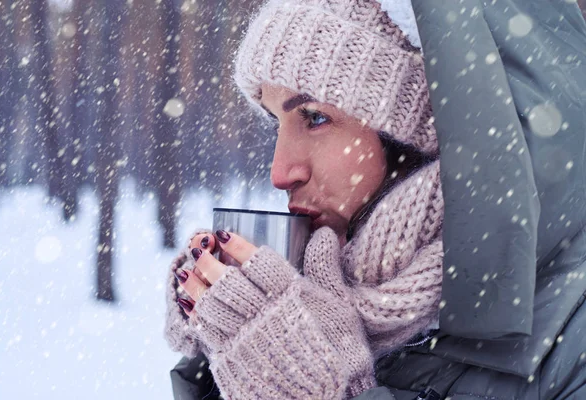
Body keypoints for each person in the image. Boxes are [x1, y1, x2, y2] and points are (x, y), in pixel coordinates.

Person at [164, 0, 586, 399]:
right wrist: (229, 349)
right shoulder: (308, 296)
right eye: (277, 122)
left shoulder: (574, 339)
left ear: (426, 136)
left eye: (314, 118)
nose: (280, 173)